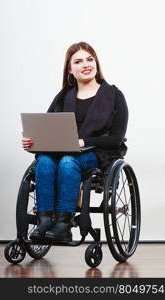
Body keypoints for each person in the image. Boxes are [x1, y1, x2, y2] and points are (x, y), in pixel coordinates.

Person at [22, 41, 128, 243]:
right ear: (70, 70)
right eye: (78, 61)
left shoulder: (114, 95)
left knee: (68, 162)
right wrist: (32, 141)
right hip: (62, 151)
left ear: (96, 63)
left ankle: (64, 223)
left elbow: (116, 138)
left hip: (97, 153)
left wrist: (82, 141)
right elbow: (48, 130)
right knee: (44, 160)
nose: (86, 64)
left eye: (90, 59)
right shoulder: (63, 96)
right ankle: (44, 219)